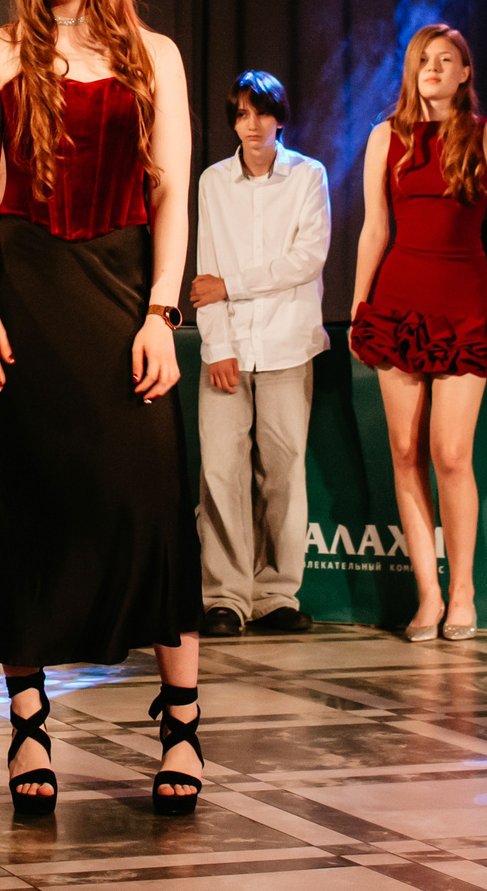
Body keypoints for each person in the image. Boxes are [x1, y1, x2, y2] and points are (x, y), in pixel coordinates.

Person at [0, 0, 206, 817]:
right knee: (25, 502)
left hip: (124, 292)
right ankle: (28, 722)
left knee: (153, 499)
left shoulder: (154, 54)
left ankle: (182, 720)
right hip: (23, 295)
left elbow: (171, 192)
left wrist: (162, 313)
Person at [350, 24, 487, 643]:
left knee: (451, 454)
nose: (432, 67)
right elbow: (375, 228)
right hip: (397, 301)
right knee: (405, 452)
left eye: (445, 59)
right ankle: (427, 596)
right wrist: (360, 305)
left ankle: (463, 593)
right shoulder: (386, 137)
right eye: (423, 59)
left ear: (465, 72)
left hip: (464, 303)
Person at [191, 71, 331, 639]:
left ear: (280, 118)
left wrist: (233, 285)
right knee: (221, 473)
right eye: (242, 114)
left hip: (287, 343)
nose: (252, 125)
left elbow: (308, 258)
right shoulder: (213, 181)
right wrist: (219, 344)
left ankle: (276, 594)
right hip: (227, 348)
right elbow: (204, 274)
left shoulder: (308, 175)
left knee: (284, 474)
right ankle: (225, 596)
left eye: (262, 113)